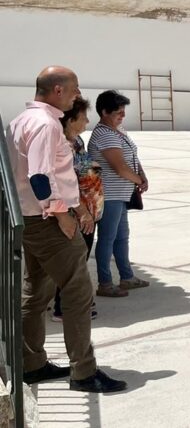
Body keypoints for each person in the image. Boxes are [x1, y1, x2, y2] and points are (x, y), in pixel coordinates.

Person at [7, 66, 126, 393]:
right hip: (47, 221)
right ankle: (84, 372)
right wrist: (62, 215)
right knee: (77, 293)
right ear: (58, 89)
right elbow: (40, 178)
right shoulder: (46, 124)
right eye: (74, 89)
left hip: (28, 219)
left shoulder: (20, 121)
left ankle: (31, 364)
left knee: (37, 293)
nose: (77, 96)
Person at [88, 90, 149, 298]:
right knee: (107, 238)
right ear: (104, 112)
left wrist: (141, 174)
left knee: (122, 237)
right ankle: (105, 282)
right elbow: (119, 167)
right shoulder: (104, 134)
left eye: (123, 112)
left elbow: (131, 156)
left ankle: (127, 276)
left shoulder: (117, 130)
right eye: (118, 112)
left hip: (120, 194)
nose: (122, 116)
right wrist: (139, 180)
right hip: (109, 194)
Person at [52, 97, 102, 322]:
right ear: (70, 120)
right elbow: (65, 185)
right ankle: (65, 308)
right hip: (76, 211)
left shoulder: (78, 141)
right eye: (83, 118)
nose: (87, 121)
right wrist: (83, 212)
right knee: (74, 259)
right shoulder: (62, 146)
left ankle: (70, 303)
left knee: (80, 257)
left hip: (89, 209)